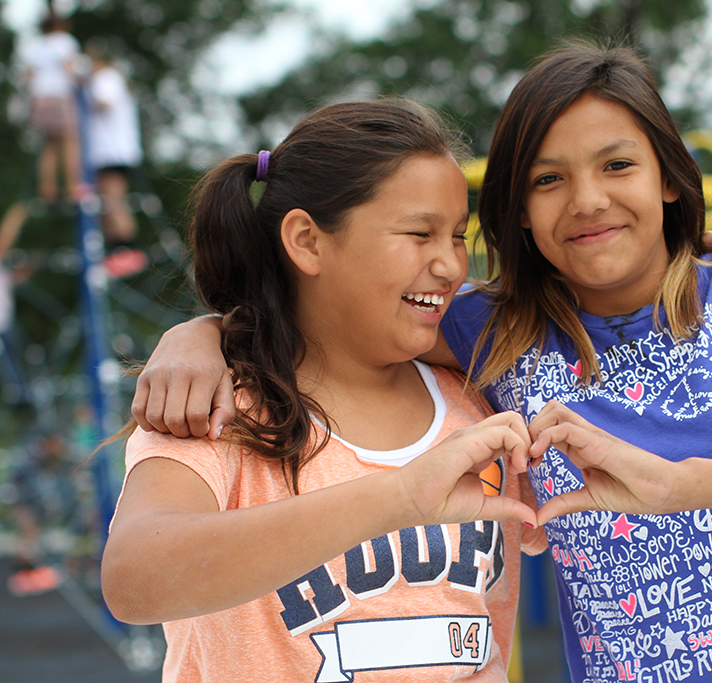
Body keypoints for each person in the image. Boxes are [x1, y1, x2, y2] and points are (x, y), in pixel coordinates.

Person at [126, 43, 712, 682]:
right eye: (549, 180)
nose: (586, 200)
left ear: (670, 180)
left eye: (618, 165)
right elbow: (329, 315)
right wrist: (202, 332)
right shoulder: (499, 331)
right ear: (518, 211)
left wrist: (680, 486)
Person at [100, 99, 548, 682]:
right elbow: (135, 581)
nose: (449, 264)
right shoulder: (218, 405)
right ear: (308, 241)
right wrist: (400, 498)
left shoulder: (481, 397)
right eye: (419, 233)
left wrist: (702, 264)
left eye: (459, 236)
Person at [84, 42, 148, 278]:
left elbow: (104, 101)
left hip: (112, 152)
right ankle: (116, 250)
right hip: (108, 153)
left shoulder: (106, 78)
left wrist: (83, 86)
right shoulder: (109, 78)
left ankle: (128, 250)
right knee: (107, 203)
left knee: (114, 201)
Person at [20, 12, 85, 203]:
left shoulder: (36, 46)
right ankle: (73, 188)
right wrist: (81, 83)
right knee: (70, 140)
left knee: (49, 144)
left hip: (39, 97)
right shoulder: (65, 41)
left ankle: (46, 188)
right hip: (59, 95)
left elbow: (28, 75)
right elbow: (70, 66)